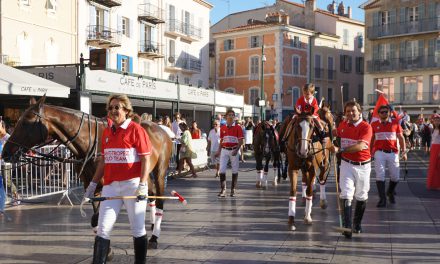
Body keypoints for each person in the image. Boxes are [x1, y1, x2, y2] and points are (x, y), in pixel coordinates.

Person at [83, 94, 151, 263]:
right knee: (103, 230)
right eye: (111, 107)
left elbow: (146, 159)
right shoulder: (107, 132)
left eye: (117, 107)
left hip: (133, 186)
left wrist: (142, 184)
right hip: (111, 187)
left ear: (126, 110)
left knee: (137, 229)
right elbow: (104, 161)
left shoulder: (136, 129)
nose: (113, 110)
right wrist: (92, 184)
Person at [329, 101, 373, 238]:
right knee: (346, 193)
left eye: (353, 111)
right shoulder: (343, 124)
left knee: (361, 195)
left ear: (359, 112)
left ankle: (357, 223)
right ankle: (347, 227)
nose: (350, 113)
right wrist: (328, 132)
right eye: (347, 111)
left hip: (363, 166)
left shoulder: (366, 127)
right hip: (346, 164)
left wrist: (340, 149)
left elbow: (360, 146)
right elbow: (335, 132)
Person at [370, 105, 407, 208]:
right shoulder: (374, 124)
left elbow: (401, 138)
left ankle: (390, 192)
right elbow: (372, 139)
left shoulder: (395, 123)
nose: (384, 114)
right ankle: (382, 199)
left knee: (395, 177)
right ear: (379, 114)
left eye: (386, 112)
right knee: (380, 175)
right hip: (379, 153)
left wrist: (404, 152)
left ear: (389, 113)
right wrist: (370, 152)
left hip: (393, 153)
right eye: (381, 112)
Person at [215, 109, 244, 197]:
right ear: (226, 116)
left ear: (234, 117)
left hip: (234, 150)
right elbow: (221, 141)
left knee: (234, 170)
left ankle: (233, 190)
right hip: (224, 150)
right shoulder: (223, 128)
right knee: (222, 170)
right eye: (229, 115)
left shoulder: (238, 127)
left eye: (232, 115)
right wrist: (218, 150)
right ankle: (223, 190)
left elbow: (241, 141)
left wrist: (236, 150)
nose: (231, 116)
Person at [0, 118, 11, 219]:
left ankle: (1, 210)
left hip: (4, 165)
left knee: (6, 185)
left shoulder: (8, 138)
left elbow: (11, 151)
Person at [427, 114, 440, 190]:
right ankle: (434, 184)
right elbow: (432, 141)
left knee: (438, 167)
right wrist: (430, 149)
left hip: (439, 149)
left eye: (438, 120)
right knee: (433, 167)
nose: (436, 122)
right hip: (433, 149)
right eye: (435, 121)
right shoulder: (433, 130)